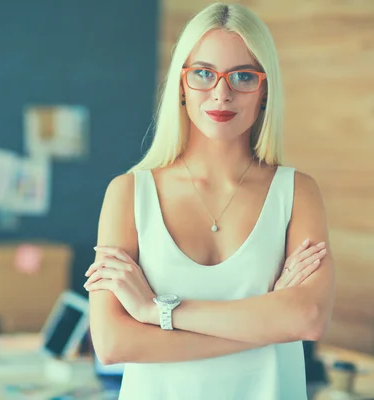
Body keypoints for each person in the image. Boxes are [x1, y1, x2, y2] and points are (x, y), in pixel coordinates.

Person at [84, 3, 336, 400]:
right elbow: (114, 343)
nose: (222, 93)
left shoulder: (297, 192)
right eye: (203, 73)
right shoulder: (128, 193)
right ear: (181, 85)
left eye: (243, 76)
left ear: (264, 90)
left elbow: (307, 318)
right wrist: (267, 324)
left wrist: (157, 313)